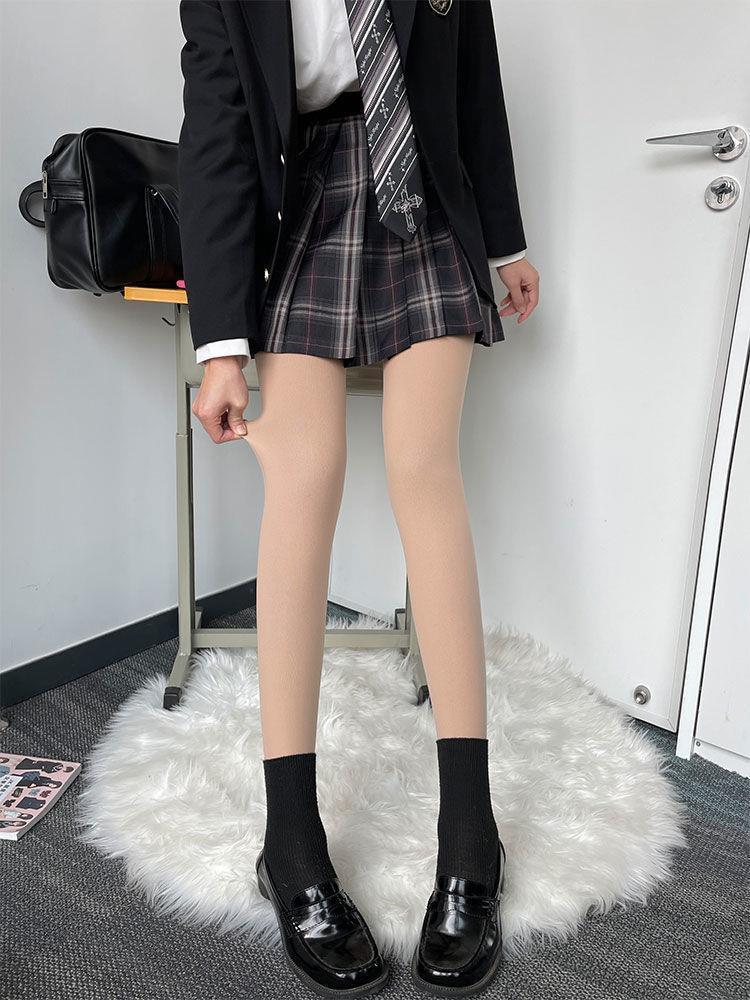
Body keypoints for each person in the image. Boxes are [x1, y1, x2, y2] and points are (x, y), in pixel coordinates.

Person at [177, 1, 539, 995]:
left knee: (426, 472)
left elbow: (476, 92)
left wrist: (505, 245)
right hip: (304, 204)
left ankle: (471, 836)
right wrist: (221, 345)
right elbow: (216, 137)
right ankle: (290, 842)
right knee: (303, 481)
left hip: (425, 192)